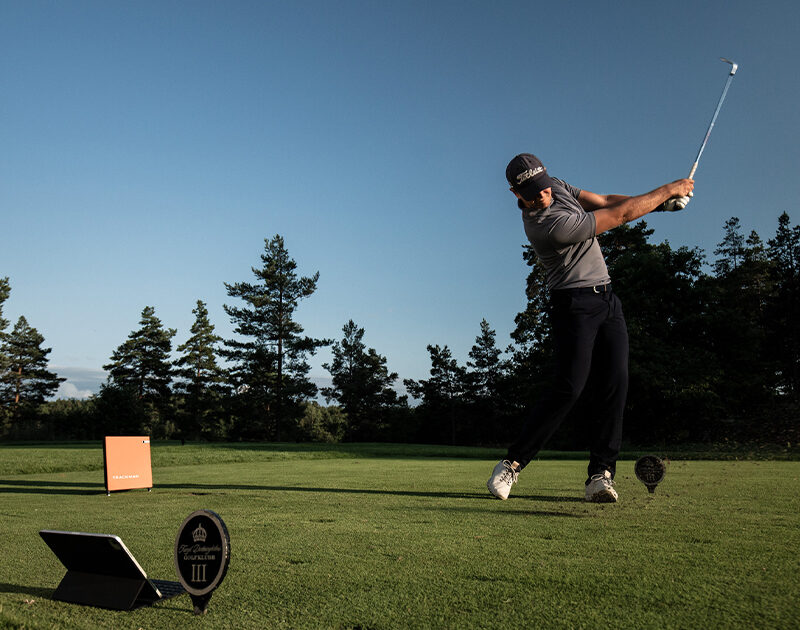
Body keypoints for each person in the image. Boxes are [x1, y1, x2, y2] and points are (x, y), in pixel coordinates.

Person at [487, 153, 694, 502]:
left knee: (617, 383)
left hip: (608, 299)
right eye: (532, 192)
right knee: (570, 388)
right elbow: (620, 215)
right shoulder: (546, 227)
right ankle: (511, 463)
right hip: (574, 305)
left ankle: (601, 475)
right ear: (515, 193)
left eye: (543, 186)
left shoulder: (555, 186)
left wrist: (663, 205)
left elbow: (606, 201)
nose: (543, 195)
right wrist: (667, 189)